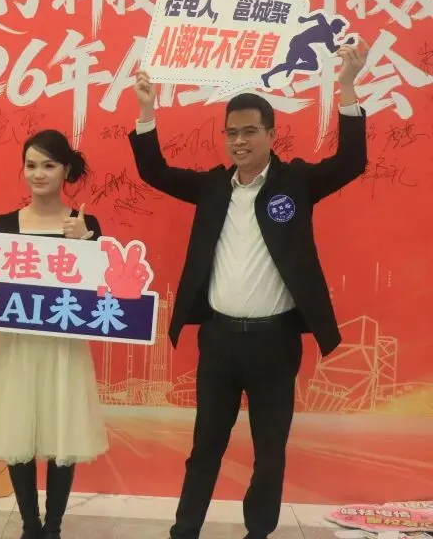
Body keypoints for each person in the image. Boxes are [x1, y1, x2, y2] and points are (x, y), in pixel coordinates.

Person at [128, 40, 369, 539]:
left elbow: (350, 162)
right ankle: (184, 531)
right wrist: (147, 111)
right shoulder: (213, 187)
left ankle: (258, 532)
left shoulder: (295, 183)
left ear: (271, 134)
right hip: (218, 341)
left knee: (269, 452)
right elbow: (154, 172)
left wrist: (346, 87)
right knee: (205, 447)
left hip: (275, 343)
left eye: (250, 131)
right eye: (231, 133)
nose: (239, 141)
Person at [0, 129, 109, 539]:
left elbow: (104, 291)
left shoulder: (84, 224)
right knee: (18, 433)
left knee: (63, 433)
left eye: (48, 165)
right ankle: (30, 525)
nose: (39, 174)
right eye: (31, 165)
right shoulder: (4, 225)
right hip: (16, 346)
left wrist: (86, 243)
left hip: (63, 347)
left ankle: (54, 527)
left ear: (65, 170)